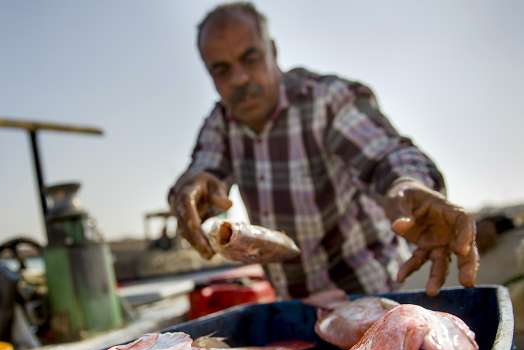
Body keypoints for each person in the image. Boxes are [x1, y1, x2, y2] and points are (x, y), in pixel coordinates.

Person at [168, 2, 479, 299]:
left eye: (250, 58)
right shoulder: (221, 123)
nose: (239, 78)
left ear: (273, 51)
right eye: (222, 70)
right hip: (296, 311)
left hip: (373, 295)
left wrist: (408, 185)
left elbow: (386, 155)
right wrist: (194, 196)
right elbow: (202, 172)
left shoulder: (325, 101)